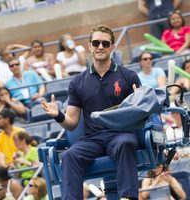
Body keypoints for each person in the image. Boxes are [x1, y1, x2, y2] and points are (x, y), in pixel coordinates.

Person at [42, 25, 141, 199]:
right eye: (96, 43)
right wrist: (58, 114)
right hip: (93, 139)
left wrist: (140, 100)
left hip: (119, 135)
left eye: (105, 43)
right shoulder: (77, 82)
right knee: (69, 155)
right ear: (90, 46)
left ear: (112, 47)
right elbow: (71, 123)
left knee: (125, 143)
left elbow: (141, 113)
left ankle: (128, 197)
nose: (100, 47)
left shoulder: (128, 76)